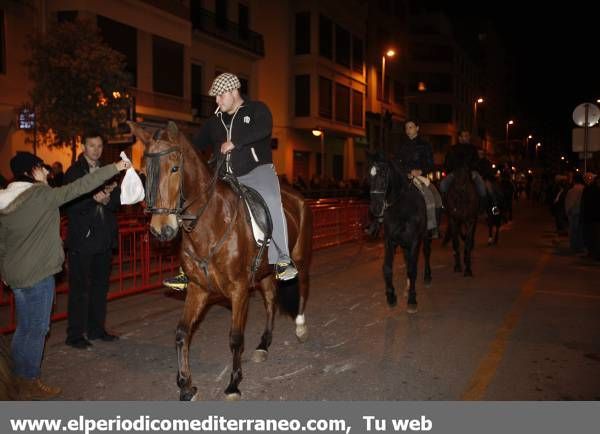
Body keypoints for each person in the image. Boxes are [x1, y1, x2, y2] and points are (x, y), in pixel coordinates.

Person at [0, 151, 129, 399]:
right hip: (38, 273)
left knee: (24, 327)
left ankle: (17, 375)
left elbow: (2, 241)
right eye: (42, 168)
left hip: (15, 274)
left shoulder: (5, 199)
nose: (47, 172)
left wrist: (4, 270)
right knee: (37, 328)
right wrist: (115, 167)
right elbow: (80, 187)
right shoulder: (40, 195)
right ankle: (29, 381)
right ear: (31, 172)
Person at [163, 72, 297, 291]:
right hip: (223, 175)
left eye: (220, 96)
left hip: (256, 171)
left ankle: (282, 258)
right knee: (191, 207)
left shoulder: (256, 110)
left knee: (272, 198)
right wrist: (175, 141)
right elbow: (195, 144)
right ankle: (187, 270)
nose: (216, 101)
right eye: (215, 97)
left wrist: (235, 142)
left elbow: (264, 130)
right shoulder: (214, 122)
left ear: (234, 92)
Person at [63, 132, 122, 349]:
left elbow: (117, 202)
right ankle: (75, 335)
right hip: (82, 240)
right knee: (79, 290)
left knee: (100, 287)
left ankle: (96, 330)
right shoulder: (74, 172)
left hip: (103, 240)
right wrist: (92, 199)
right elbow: (69, 204)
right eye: (91, 145)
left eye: (99, 146)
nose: (96, 150)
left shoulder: (108, 171)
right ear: (83, 146)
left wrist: (107, 200)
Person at [392, 119, 442, 238]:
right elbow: (396, 163)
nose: (408, 130)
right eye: (406, 128)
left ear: (417, 128)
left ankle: (432, 227)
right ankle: (379, 222)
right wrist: (406, 172)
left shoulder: (425, 145)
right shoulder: (401, 145)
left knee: (434, 197)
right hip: (403, 177)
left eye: (411, 127)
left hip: (420, 177)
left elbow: (430, 163)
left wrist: (420, 171)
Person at [440, 130, 492, 213]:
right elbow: (447, 163)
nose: (467, 137)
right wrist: (452, 171)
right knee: (443, 184)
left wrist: (472, 170)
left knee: (482, 185)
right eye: (465, 135)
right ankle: (443, 205)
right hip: (455, 173)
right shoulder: (452, 149)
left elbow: (476, 162)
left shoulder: (473, 148)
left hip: (470, 172)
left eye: (468, 135)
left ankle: (483, 206)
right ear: (460, 138)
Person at [564, 173, 586, 255]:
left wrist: (568, 212)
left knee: (574, 231)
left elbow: (569, 203)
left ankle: (574, 247)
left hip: (574, 213)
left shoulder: (572, 190)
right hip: (582, 213)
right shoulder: (585, 189)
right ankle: (581, 246)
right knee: (581, 231)